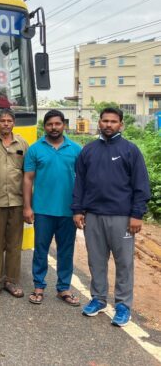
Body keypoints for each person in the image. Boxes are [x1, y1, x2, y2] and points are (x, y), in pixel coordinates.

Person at [72, 107, 151, 327]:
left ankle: (123, 305)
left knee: (124, 263)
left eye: (113, 121)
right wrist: (77, 210)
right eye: (105, 121)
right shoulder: (88, 151)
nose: (108, 124)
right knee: (96, 261)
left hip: (122, 217)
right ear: (99, 123)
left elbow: (141, 185)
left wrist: (137, 214)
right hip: (93, 216)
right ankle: (98, 299)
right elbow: (79, 183)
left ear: (121, 125)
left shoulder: (130, 150)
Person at [23, 110, 82, 306]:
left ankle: (63, 289)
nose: (54, 128)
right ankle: (39, 287)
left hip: (68, 211)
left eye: (57, 124)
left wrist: (81, 209)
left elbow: (83, 181)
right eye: (50, 124)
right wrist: (27, 207)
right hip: (42, 210)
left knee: (66, 251)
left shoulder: (76, 149)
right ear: (44, 126)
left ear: (63, 125)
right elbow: (28, 179)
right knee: (40, 250)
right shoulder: (35, 149)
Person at [0, 109, 29, 299]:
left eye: (9, 120)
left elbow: (29, 175)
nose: (6, 124)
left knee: (14, 243)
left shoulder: (23, 143)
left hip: (17, 201)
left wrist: (28, 205)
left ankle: (11, 280)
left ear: (14, 123)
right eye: (2, 120)